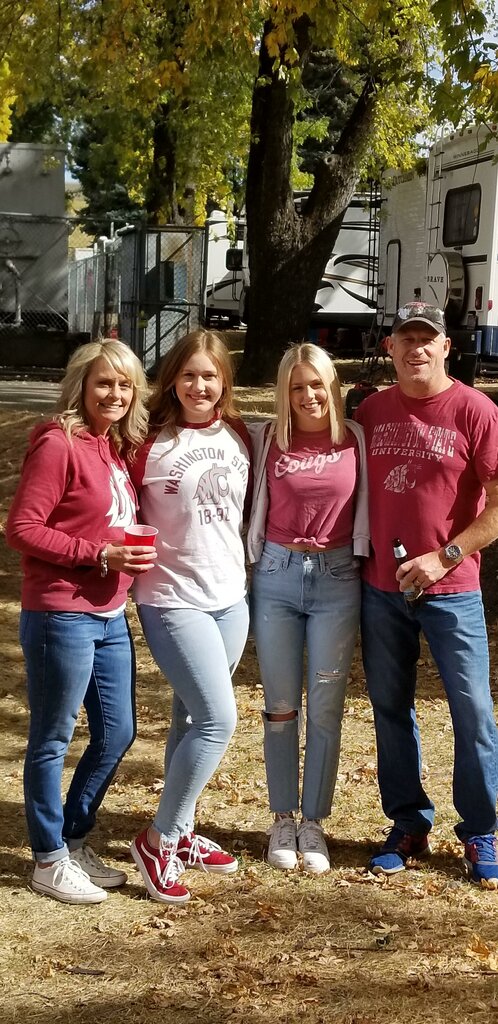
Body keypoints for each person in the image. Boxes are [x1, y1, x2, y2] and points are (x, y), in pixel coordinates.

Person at [6, 339, 154, 904]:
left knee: (117, 732)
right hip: (61, 612)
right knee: (53, 738)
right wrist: (97, 554)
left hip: (110, 612)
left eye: (124, 384)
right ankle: (48, 859)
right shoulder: (58, 442)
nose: (115, 393)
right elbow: (22, 528)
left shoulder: (112, 446)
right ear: (82, 386)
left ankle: (72, 837)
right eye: (104, 383)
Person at [355, 301, 498, 888]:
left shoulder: (476, 410)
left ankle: (482, 829)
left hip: (452, 590)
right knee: (390, 707)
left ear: (446, 347)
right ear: (389, 348)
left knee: (473, 711)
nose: (416, 348)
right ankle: (409, 822)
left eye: (427, 339)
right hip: (381, 588)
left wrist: (446, 557)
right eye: (405, 339)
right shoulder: (370, 410)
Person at [128, 329, 251, 905]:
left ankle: (180, 830)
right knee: (217, 720)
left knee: (188, 719)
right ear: (172, 379)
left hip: (230, 599)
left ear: (224, 381)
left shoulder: (240, 435)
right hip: (172, 599)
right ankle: (157, 841)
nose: (199, 385)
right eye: (188, 375)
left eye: (210, 375)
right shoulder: (146, 441)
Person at [247, 343, 368, 873]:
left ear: (332, 386)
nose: (308, 395)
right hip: (277, 575)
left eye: (316, 384)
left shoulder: (355, 438)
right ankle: (282, 817)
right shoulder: (268, 438)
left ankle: (314, 821)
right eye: (297, 386)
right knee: (279, 705)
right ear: (284, 392)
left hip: (337, 580)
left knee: (324, 705)